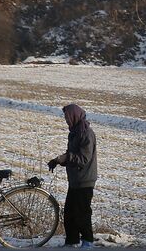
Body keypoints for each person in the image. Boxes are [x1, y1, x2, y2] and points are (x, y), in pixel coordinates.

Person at [48, 104, 97, 248]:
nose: (66, 120)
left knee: (82, 213)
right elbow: (72, 156)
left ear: (74, 116)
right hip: (75, 180)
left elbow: (83, 158)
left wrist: (65, 157)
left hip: (85, 180)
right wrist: (59, 161)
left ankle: (88, 242)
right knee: (69, 213)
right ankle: (71, 242)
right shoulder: (75, 132)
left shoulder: (86, 133)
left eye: (67, 117)